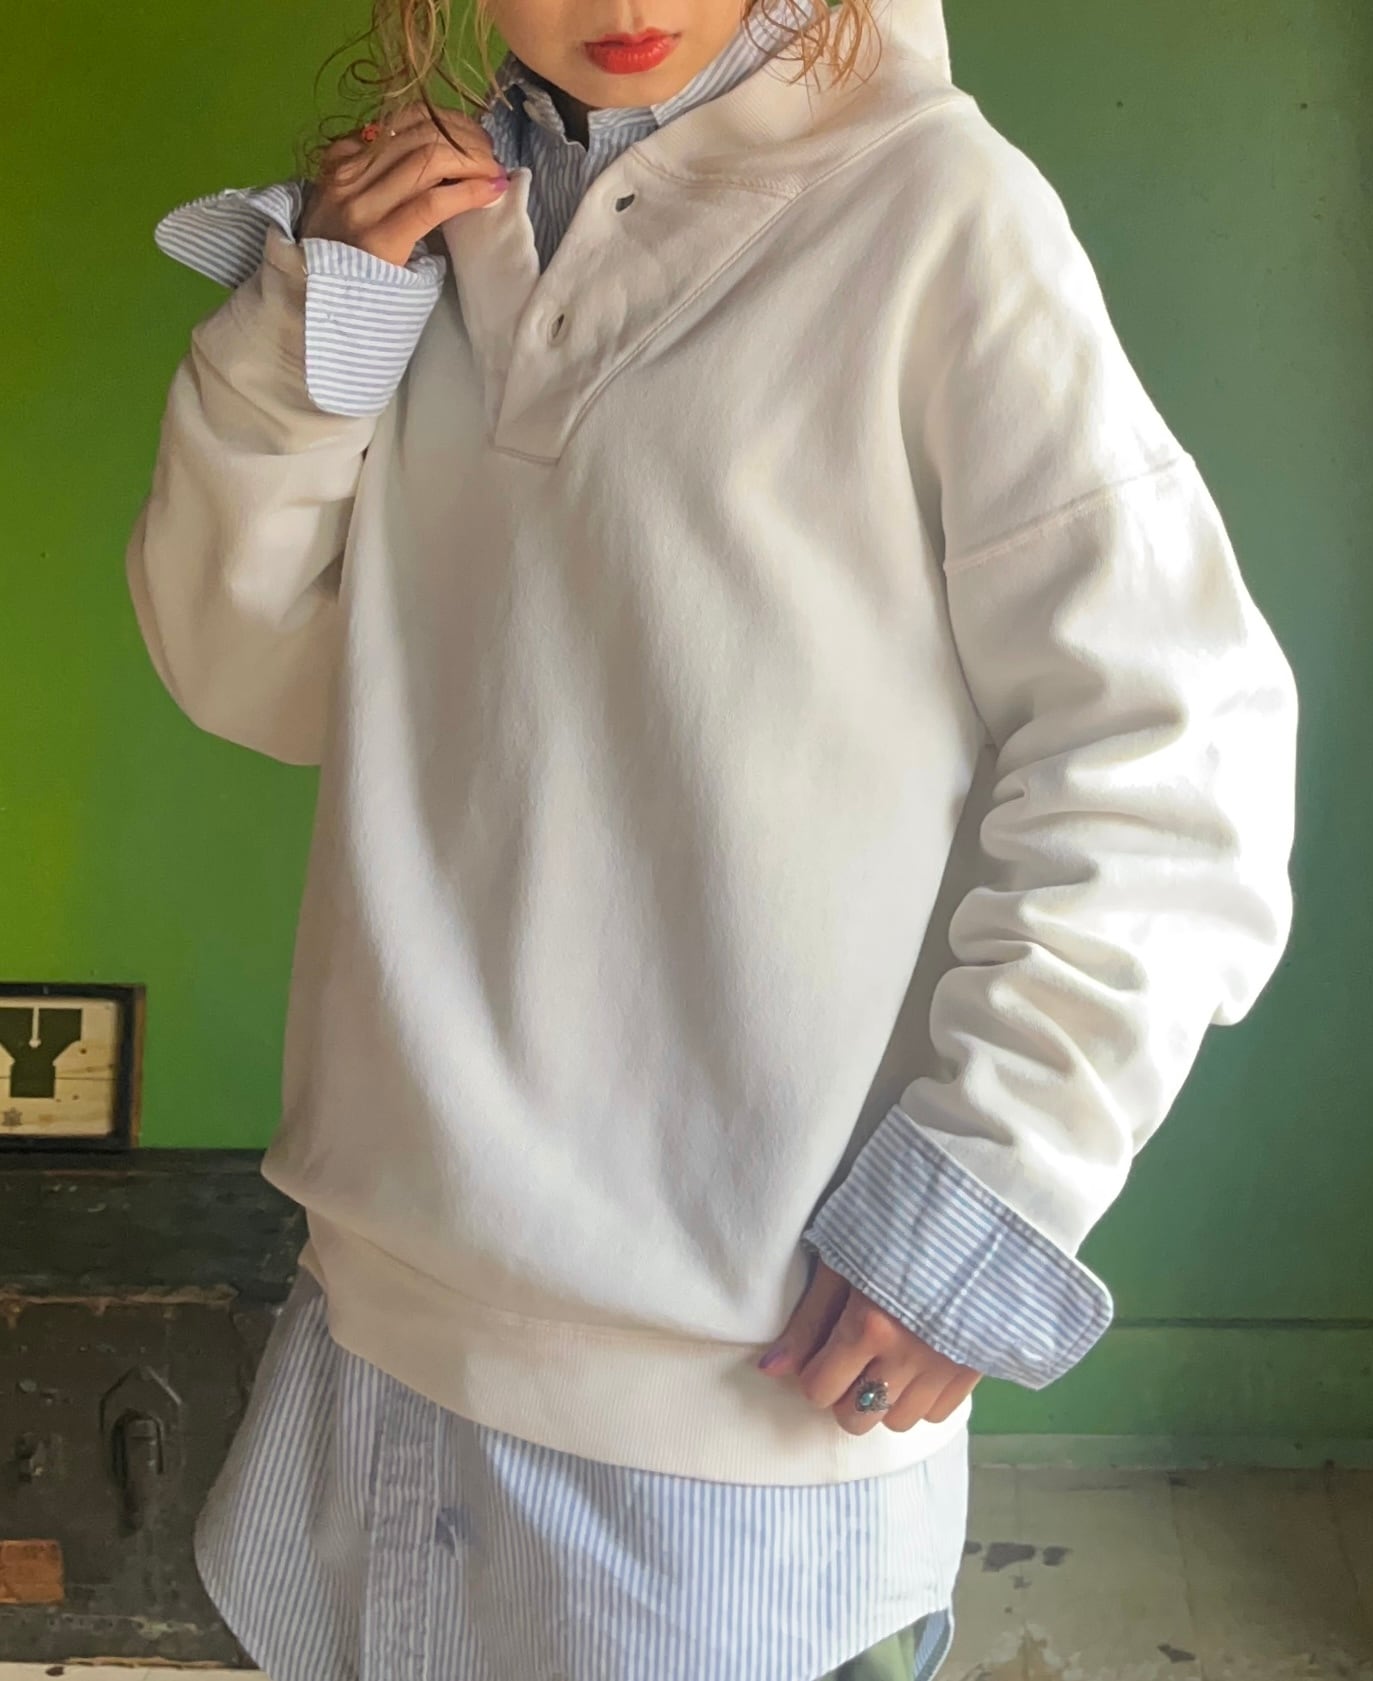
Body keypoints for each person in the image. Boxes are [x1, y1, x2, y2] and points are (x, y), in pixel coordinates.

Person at [124, 0, 1299, 1674]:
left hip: (741, 1416)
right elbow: (258, 671)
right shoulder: (436, 231)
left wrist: (989, 1185)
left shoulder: (935, 214)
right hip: (371, 1340)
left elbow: (1169, 742)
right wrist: (311, 325)